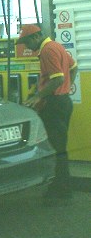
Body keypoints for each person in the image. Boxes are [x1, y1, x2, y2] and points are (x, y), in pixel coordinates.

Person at [17, 24, 78, 204]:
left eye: (26, 42)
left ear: (35, 37)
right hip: (62, 101)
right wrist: (67, 87)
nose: (26, 47)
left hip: (54, 105)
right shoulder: (57, 46)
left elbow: (57, 78)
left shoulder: (47, 51)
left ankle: (63, 189)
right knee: (58, 147)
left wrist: (38, 96)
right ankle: (60, 187)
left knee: (57, 149)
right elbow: (73, 67)